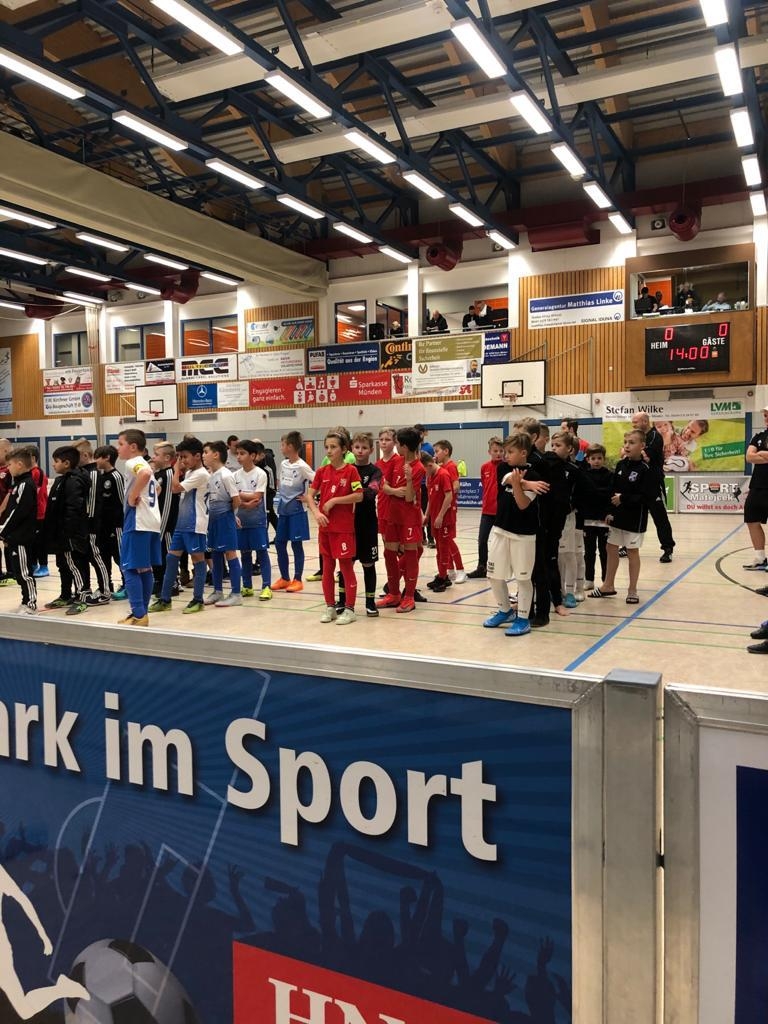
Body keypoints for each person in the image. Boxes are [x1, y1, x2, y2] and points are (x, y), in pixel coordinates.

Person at [483, 432, 544, 637]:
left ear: (523, 453)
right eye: (505, 451)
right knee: (493, 575)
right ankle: (505, 611)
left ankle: (523, 619)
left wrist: (520, 484)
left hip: (524, 535)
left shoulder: (535, 474)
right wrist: (526, 484)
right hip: (500, 530)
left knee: (523, 579)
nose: (505, 455)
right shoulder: (502, 467)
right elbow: (508, 479)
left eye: (510, 452)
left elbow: (522, 503)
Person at [588, 429, 656, 604]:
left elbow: (647, 497)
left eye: (632, 442)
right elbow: (613, 490)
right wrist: (609, 511)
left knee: (632, 552)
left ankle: (632, 590)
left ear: (642, 445)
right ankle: (608, 585)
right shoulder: (620, 465)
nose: (627, 446)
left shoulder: (646, 469)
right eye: (625, 442)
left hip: (635, 519)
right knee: (611, 548)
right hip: (618, 518)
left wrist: (623, 498)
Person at [149, 437, 210, 614]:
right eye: (180, 457)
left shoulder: (201, 474)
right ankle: (165, 599)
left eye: (184, 457)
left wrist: (175, 469)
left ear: (197, 456)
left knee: (198, 560)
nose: (182, 460)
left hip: (195, 524)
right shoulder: (191, 473)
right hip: (182, 524)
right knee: (171, 558)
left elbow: (175, 488)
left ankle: (198, 599)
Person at [308, 430, 362, 625]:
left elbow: (359, 495)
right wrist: (316, 512)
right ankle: (330, 607)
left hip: (343, 528)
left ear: (344, 449)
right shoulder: (322, 471)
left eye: (333, 447)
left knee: (345, 568)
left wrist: (335, 501)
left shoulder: (351, 471)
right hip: (325, 528)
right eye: (327, 447)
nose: (329, 451)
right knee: (327, 568)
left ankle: (350, 609)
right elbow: (310, 495)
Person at [115, 428, 162, 627]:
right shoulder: (143, 461)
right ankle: (141, 613)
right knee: (144, 568)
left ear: (133, 447)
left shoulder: (133, 462)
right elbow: (157, 488)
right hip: (152, 521)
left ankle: (139, 613)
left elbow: (145, 473)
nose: (118, 448)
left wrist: (133, 495)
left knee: (129, 567)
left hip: (137, 520)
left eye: (121, 444)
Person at [377, 426, 425, 613]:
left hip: (409, 518)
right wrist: (395, 491)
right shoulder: (396, 461)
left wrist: (410, 480)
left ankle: (409, 597)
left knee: (411, 554)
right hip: (392, 514)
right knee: (389, 553)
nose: (396, 446)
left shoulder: (418, 467)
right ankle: (394, 594)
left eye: (397, 443)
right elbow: (384, 485)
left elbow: (409, 497)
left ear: (404, 446)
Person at [43, 445, 90, 615]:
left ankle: (83, 597)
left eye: (56, 461)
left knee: (74, 565)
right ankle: (65, 594)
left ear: (67, 463)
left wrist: (68, 532)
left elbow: (73, 509)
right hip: (59, 534)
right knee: (63, 565)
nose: (53, 464)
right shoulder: (60, 480)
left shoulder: (75, 481)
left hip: (70, 535)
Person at [272, 431, 314, 592]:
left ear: (290, 446)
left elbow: (317, 480)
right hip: (283, 510)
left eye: (283, 444)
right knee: (279, 543)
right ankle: (284, 578)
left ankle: (297, 579)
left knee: (296, 545)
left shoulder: (302, 466)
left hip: (297, 511)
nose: (281, 447)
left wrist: (308, 497)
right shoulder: (283, 464)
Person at [202, 440, 242, 606]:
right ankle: (218, 591)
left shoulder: (226, 475)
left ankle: (236, 593)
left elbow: (236, 500)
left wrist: (230, 515)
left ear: (216, 455)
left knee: (230, 553)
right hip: (213, 520)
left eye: (206, 452)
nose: (203, 455)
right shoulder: (211, 475)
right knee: (215, 554)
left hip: (225, 519)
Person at [631, 411, 675, 561]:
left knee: (660, 518)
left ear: (645, 421)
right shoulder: (638, 437)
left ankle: (667, 548)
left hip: (653, 484)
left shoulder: (655, 436)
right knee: (632, 516)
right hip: (638, 484)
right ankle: (628, 546)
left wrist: (634, 452)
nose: (633, 425)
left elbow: (641, 455)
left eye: (635, 422)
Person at [345, 431, 381, 617]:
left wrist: (356, 494)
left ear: (371, 450)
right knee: (346, 564)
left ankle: (370, 602)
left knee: (368, 564)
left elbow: (371, 492)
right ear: (351, 448)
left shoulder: (375, 472)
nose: (360, 451)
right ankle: (343, 600)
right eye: (357, 447)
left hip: (368, 525)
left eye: (364, 448)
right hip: (348, 525)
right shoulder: (347, 470)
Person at [0, 446, 38, 614]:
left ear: (20, 464)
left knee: (24, 572)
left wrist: (3, 531)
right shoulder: (18, 484)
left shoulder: (25, 485)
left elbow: (18, 512)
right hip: (15, 536)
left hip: (22, 537)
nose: (7, 468)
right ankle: (25, 600)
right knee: (19, 572)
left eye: (10, 465)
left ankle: (30, 603)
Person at [233, 440, 273, 601]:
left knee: (262, 553)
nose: (239, 457)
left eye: (242, 453)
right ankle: (247, 586)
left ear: (253, 456)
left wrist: (240, 494)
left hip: (258, 520)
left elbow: (257, 496)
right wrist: (244, 500)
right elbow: (234, 498)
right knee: (245, 554)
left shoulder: (260, 474)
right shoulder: (235, 475)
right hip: (241, 520)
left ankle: (266, 586)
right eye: (237, 453)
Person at [74, 439, 112, 606]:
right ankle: (86, 589)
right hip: (83, 526)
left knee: (96, 558)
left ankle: (105, 591)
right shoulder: (81, 473)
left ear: (85, 455)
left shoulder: (94, 474)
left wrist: (89, 525)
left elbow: (93, 503)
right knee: (83, 558)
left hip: (92, 526)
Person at [578, 444, 613, 590]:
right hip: (588, 520)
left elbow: (610, 495)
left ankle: (606, 580)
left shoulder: (610, 475)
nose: (596, 461)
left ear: (604, 459)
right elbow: (583, 495)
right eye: (593, 458)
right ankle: (589, 579)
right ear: (588, 459)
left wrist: (610, 512)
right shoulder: (583, 475)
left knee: (605, 552)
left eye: (599, 458)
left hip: (604, 520)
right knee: (589, 552)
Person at [468, 436, 503, 579]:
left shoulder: (506, 467)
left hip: (501, 511)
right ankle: (481, 567)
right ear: (489, 452)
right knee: (482, 539)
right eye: (495, 451)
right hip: (487, 511)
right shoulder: (484, 467)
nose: (498, 453)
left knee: (501, 543)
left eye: (501, 451)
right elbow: (485, 483)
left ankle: (501, 568)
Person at [93, 444, 125, 600]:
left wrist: (119, 524)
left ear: (107, 458)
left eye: (97, 457)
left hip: (116, 526)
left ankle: (127, 585)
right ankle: (106, 585)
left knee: (120, 557)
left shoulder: (116, 477)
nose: (95, 461)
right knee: (104, 557)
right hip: (102, 526)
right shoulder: (100, 477)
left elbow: (123, 502)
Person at [433, 439, 466, 584]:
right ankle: (450, 569)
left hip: (448, 510)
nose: (435, 455)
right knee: (443, 543)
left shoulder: (451, 467)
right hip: (441, 509)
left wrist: (447, 493)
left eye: (437, 451)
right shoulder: (440, 468)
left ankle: (461, 570)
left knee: (448, 542)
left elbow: (456, 486)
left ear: (446, 451)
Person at [422, 451, 455, 593]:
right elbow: (431, 499)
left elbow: (449, 496)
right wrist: (427, 515)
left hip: (444, 519)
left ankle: (443, 578)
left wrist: (441, 515)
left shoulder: (443, 475)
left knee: (444, 549)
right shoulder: (430, 477)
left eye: (423, 470)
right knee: (439, 550)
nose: (423, 474)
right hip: (435, 518)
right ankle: (442, 575)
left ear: (429, 465)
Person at [150, 441, 180, 597]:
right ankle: (159, 581)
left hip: (167, 526)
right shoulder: (158, 474)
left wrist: (162, 527)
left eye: (156, 455)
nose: (153, 457)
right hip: (156, 524)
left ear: (167, 458)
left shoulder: (169, 474)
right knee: (158, 554)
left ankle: (173, 583)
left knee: (168, 554)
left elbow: (168, 504)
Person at [743, 406, 768, 570]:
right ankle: (760, 558)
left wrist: (761, 454)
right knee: (751, 520)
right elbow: (749, 456)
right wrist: (764, 455)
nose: (766, 418)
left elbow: (755, 455)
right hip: (757, 485)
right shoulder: (758, 436)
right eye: (765, 415)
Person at [27, 446, 49, 579]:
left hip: (40, 513)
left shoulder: (37, 472)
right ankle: (34, 564)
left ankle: (44, 566)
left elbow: (34, 492)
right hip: (32, 514)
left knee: (40, 542)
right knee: (33, 541)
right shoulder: (29, 473)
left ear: (33, 458)